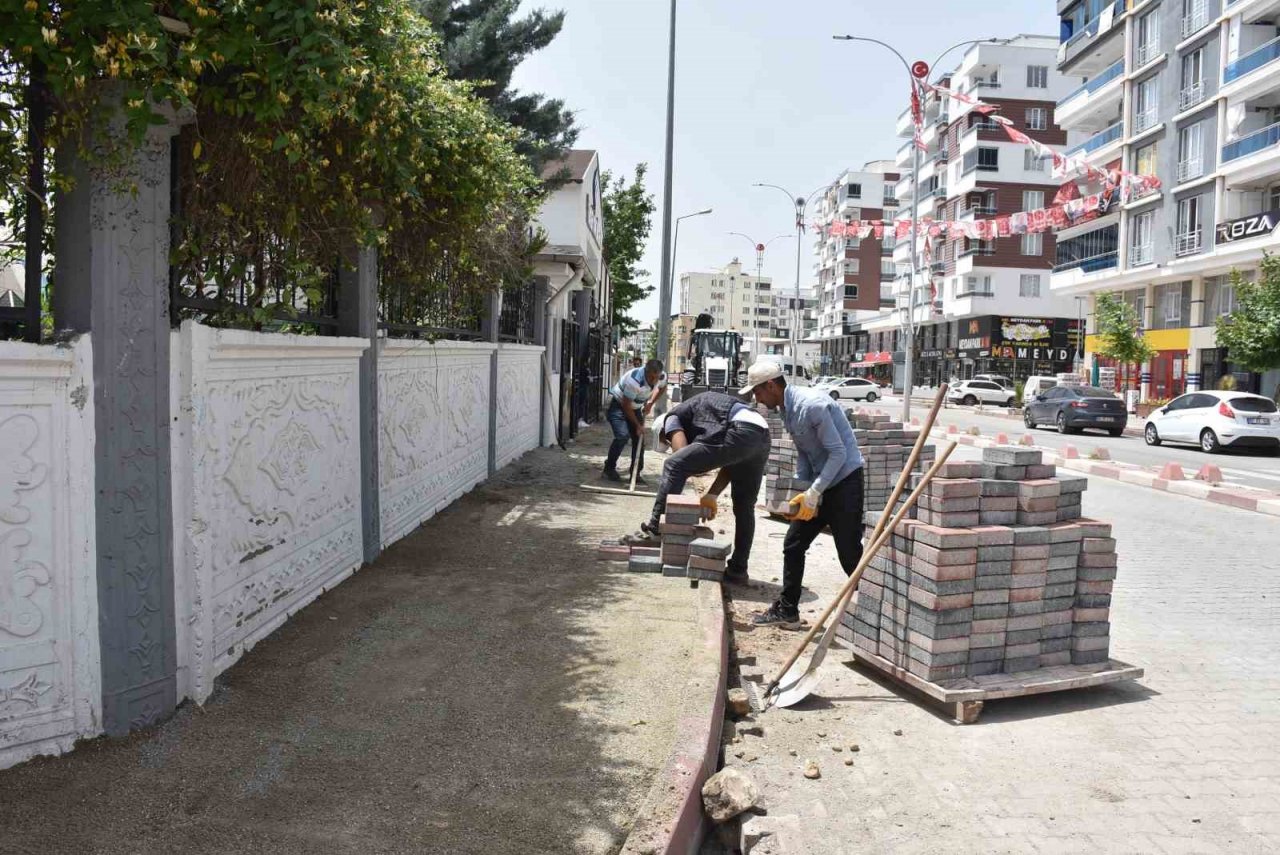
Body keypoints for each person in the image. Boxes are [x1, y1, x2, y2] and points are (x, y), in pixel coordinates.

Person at [740, 361, 865, 629]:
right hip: (820, 483)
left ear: (771, 385)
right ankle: (788, 610)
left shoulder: (812, 406)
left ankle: (875, 612)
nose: (757, 399)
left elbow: (839, 453)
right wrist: (800, 491)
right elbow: (806, 454)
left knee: (849, 555)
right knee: (794, 544)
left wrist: (814, 491)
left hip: (845, 484)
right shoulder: (786, 410)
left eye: (758, 392)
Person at [635, 391, 770, 582]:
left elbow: (679, 457)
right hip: (760, 434)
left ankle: (655, 529)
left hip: (738, 429)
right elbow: (732, 460)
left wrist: (686, 463)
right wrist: (712, 495)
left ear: (663, 432)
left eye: (667, 440)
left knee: (673, 464)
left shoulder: (671, 418)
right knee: (744, 506)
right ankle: (738, 570)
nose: (670, 442)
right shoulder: (707, 418)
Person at [604, 358, 666, 483]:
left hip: (635, 407)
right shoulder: (634, 380)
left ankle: (635, 473)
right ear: (646, 372)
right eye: (651, 377)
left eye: (656, 377)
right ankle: (609, 468)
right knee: (622, 436)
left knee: (639, 439)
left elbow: (662, 388)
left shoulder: (661, 376)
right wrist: (638, 425)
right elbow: (626, 406)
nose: (654, 381)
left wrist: (650, 403)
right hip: (619, 406)